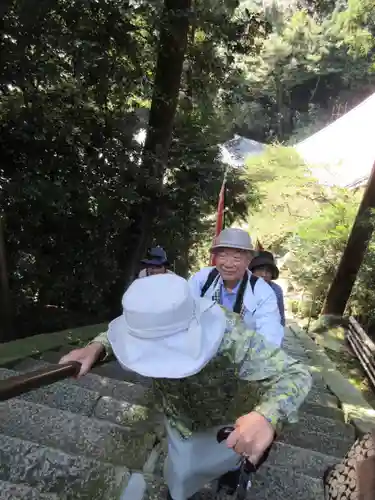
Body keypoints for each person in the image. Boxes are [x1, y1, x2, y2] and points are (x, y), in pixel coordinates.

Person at [59, 274, 312, 500]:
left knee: (232, 456)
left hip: (226, 417)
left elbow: (295, 373)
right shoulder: (145, 322)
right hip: (177, 416)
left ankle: (233, 473)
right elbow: (126, 330)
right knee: (180, 475)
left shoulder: (231, 336)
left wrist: (267, 416)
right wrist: (96, 348)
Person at [188, 227, 284, 346]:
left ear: (248, 261)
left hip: (243, 356)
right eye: (222, 256)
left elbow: (270, 335)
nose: (228, 264)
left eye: (236, 258)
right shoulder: (203, 279)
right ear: (215, 258)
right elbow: (185, 310)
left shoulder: (262, 291)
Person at [249, 251, 285, 327]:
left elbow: (280, 318)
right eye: (260, 269)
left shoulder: (276, 290)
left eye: (268, 271)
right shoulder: (244, 285)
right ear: (253, 270)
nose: (264, 274)